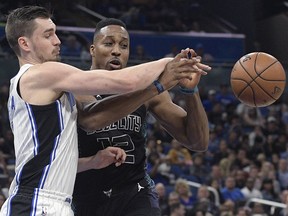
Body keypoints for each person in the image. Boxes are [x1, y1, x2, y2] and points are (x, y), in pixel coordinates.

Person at [1, 6, 209, 216]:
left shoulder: (43, 87)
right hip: (49, 201)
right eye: (48, 35)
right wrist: (168, 65)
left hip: (122, 194)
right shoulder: (47, 75)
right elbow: (123, 87)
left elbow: (50, 160)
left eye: (124, 45)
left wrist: (93, 161)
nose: (57, 41)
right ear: (24, 43)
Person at [72, 18, 211, 216]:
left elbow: (198, 142)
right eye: (109, 43)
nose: (117, 51)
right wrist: (156, 86)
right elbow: (91, 120)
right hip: (87, 197)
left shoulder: (147, 88)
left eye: (124, 45)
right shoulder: (75, 88)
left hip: (136, 193)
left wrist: (191, 92)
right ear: (93, 49)